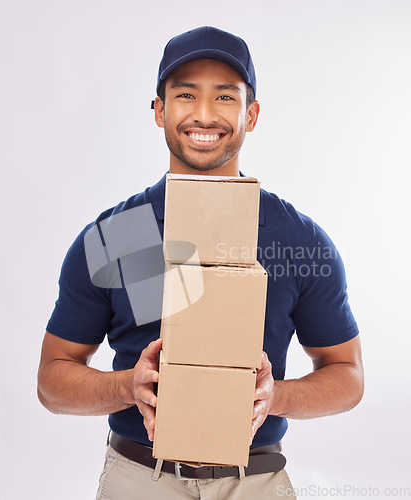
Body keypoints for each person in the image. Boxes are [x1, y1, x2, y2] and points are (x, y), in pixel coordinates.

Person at [37, 26, 364, 500]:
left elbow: (347, 375)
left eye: (225, 97)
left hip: (255, 479)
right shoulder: (119, 236)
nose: (204, 115)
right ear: (159, 110)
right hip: (139, 479)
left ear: (251, 115)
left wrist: (276, 397)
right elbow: (52, 379)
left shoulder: (295, 240)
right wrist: (129, 386)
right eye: (186, 94)